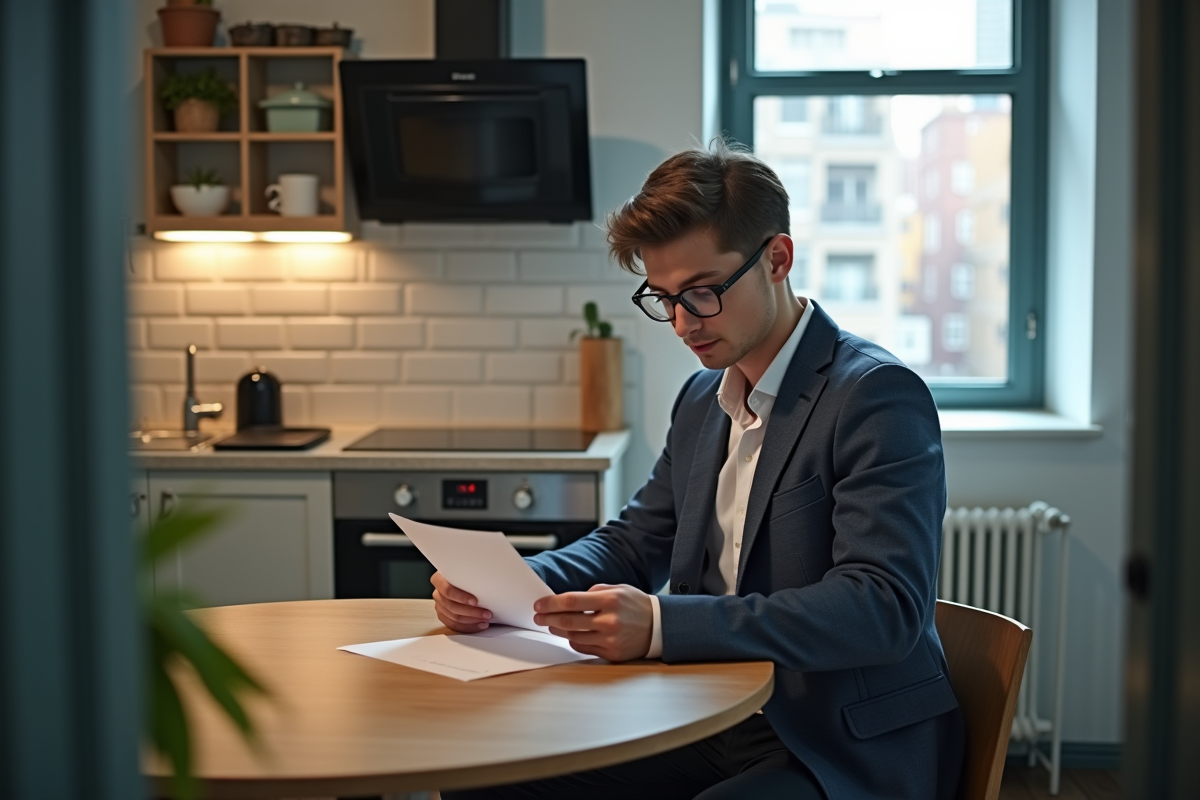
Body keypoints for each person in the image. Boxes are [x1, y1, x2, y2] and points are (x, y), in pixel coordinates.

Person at [438, 140, 965, 800]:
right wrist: (515, 583)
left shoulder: (874, 395)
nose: (683, 323)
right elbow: (634, 542)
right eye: (663, 298)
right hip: (707, 715)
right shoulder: (701, 399)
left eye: (703, 292)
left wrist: (661, 626)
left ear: (778, 258)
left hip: (834, 743)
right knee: (485, 778)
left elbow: (884, 608)